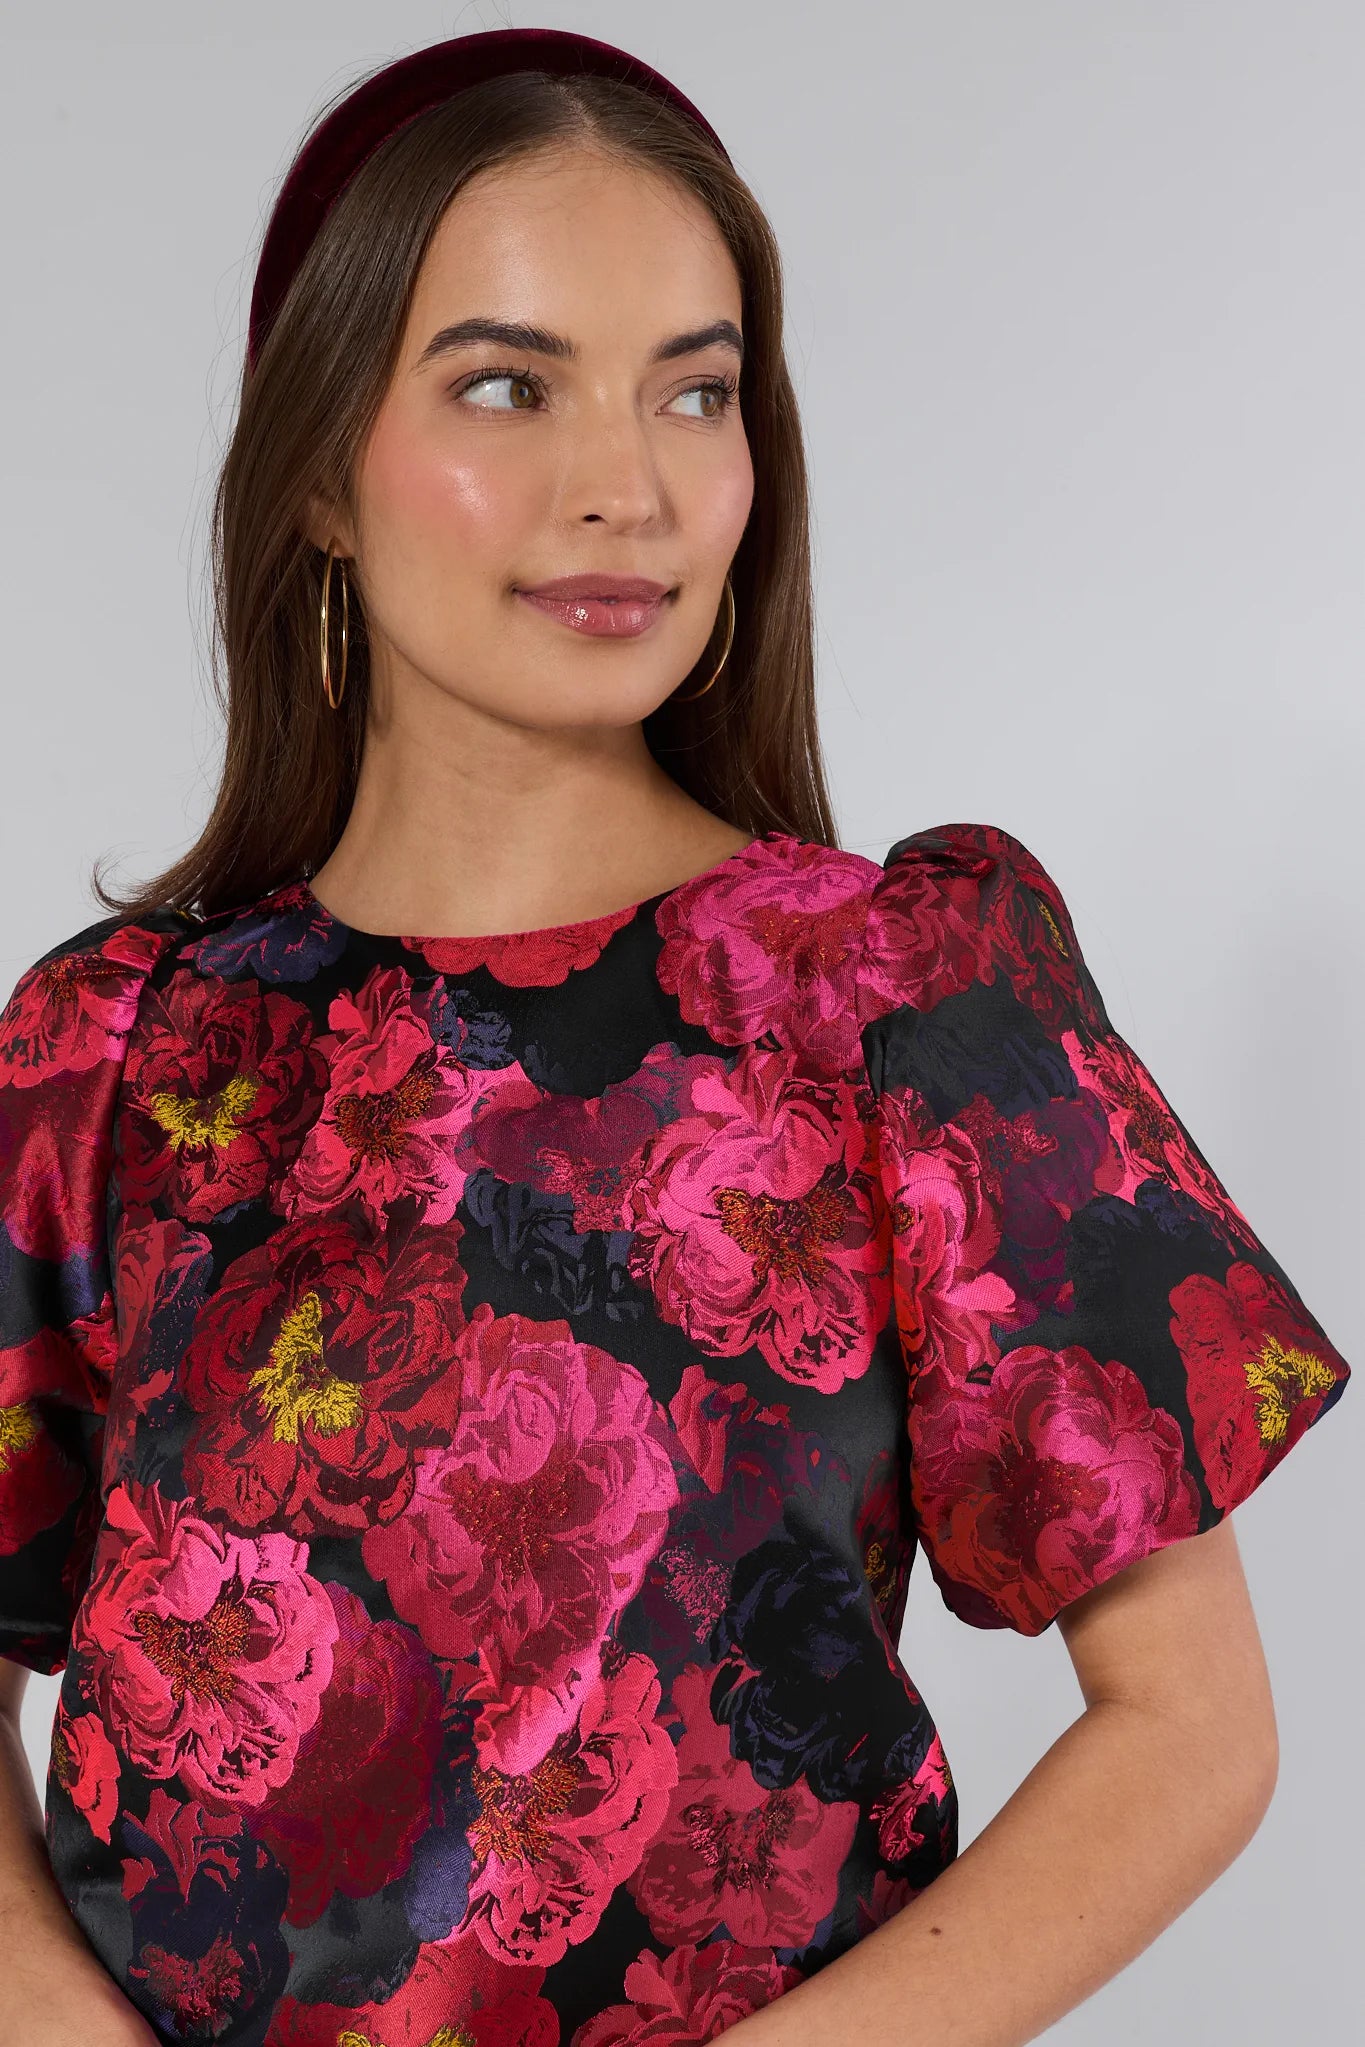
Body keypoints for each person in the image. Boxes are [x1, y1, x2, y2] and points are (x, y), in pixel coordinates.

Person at [0, 26, 1350, 2047]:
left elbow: (1188, 1733)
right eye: (501, 385)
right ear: (315, 473)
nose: (622, 485)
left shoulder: (899, 994)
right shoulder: (116, 1059)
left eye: (691, 391)